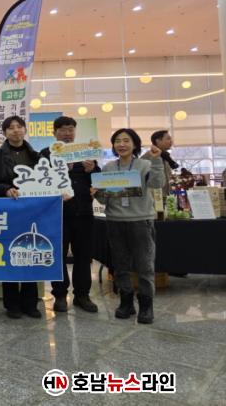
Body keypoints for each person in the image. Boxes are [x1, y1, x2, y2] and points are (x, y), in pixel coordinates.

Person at [93, 129, 165, 324]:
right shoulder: (108, 168)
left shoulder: (144, 165)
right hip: (115, 221)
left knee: (145, 266)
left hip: (141, 221)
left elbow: (157, 184)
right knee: (120, 265)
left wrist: (157, 161)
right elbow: (103, 199)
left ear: (135, 144)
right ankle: (126, 302)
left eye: (126, 140)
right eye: (117, 141)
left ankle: (146, 305)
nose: (121, 144)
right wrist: (96, 192)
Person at [39, 116, 100, 314]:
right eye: (63, 130)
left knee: (84, 255)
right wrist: (59, 171)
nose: (67, 133)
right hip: (57, 215)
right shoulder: (45, 154)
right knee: (58, 255)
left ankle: (82, 295)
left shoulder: (85, 152)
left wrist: (92, 170)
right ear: (54, 133)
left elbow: (98, 182)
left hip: (84, 212)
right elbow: (40, 182)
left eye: (71, 129)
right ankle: (59, 295)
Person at [0, 115, 42, 319]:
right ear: (5, 133)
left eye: (19, 126)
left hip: (32, 212)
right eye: (10, 128)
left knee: (32, 253)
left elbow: (46, 181)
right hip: (9, 212)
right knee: (11, 255)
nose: (15, 130)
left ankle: (30, 303)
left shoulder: (36, 156)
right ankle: (11, 304)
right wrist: (6, 189)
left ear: (25, 129)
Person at [142, 130, 176, 198]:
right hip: (154, 198)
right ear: (158, 141)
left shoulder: (165, 156)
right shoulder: (148, 157)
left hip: (165, 196)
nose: (171, 141)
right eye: (168, 138)